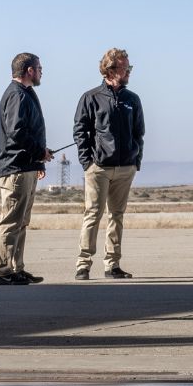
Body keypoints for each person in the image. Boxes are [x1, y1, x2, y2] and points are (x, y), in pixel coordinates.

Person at [72, 47, 145, 280]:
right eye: (126, 67)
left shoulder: (132, 99)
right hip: (99, 168)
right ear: (112, 69)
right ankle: (83, 264)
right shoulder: (91, 97)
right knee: (93, 213)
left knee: (117, 215)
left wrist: (136, 161)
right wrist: (87, 162)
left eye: (129, 67)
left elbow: (139, 132)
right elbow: (80, 131)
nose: (129, 72)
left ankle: (112, 264)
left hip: (126, 167)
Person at [0, 52, 52, 286]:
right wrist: (39, 152)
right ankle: (4, 271)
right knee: (11, 221)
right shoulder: (17, 95)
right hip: (16, 169)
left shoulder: (25, 94)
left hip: (26, 167)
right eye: (39, 68)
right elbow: (16, 133)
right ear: (29, 70)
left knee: (21, 222)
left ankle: (17, 268)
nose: (41, 72)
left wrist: (38, 161)